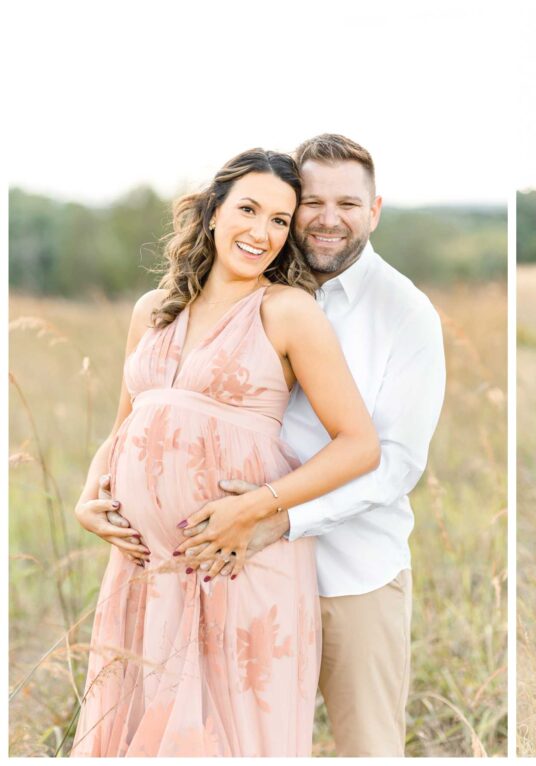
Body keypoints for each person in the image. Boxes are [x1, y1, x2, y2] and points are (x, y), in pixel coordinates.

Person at [117, 134, 447, 756]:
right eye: (310, 202)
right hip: (221, 567)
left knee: (365, 749)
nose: (326, 218)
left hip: (351, 573)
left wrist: (276, 518)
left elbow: (395, 460)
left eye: (348, 203)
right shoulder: (242, 291)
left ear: (374, 211)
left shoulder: (404, 312)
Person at [70, 148, 381, 756]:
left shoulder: (286, 311)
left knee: (224, 740)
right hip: (146, 567)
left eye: (279, 221)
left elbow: (360, 444)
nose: (262, 232)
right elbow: (124, 425)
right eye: (248, 209)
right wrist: (90, 491)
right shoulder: (153, 311)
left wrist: (257, 507)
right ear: (213, 212)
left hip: (234, 564)